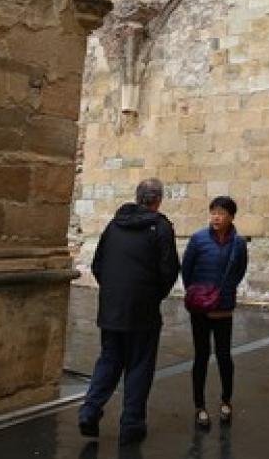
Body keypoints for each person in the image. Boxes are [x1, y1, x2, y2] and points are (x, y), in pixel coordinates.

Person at [79, 178, 180, 445]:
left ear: (138, 197)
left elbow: (98, 264)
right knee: (139, 365)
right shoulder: (160, 227)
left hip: (111, 308)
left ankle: (90, 410)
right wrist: (151, 295)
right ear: (157, 200)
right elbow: (169, 270)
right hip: (142, 309)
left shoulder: (114, 225)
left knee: (109, 359)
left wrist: (113, 292)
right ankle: (132, 423)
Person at [181, 196, 249, 428]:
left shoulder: (238, 243)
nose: (216, 217)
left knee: (223, 356)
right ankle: (199, 405)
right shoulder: (198, 239)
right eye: (213, 212)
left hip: (223, 307)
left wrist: (223, 292)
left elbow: (239, 271)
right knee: (201, 355)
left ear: (231, 216)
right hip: (200, 308)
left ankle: (226, 400)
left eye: (220, 213)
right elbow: (186, 271)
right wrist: (199, 292)